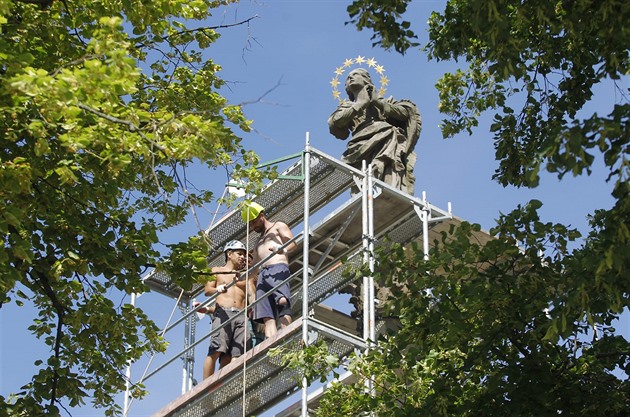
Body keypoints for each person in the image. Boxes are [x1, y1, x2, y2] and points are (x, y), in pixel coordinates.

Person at [328, 68, 422, 194]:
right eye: (348, 77)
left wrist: (377, 102)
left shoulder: (383, 102)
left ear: (366, 79)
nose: (350, 78)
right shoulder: (346, 107)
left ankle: (390, 191)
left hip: (385, 140)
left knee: (387, 172)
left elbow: (405, 113)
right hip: (358, 147)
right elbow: (336, 123)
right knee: (363, 181)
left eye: (355, 74)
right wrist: (360, 104)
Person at [241, 202, 297, 339]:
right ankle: (271, 342)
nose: (253, 226)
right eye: (251, 224)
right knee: (266, 315)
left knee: (282, 302)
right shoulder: (257, 242)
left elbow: (293, 243)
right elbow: (254, 266)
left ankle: (286, 334)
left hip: (277, 268)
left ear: (262, 215)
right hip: (262, 276)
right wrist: (242, 277)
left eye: (254, 222)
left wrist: (282, 249)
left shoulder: (278, 226)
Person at [202, 240, 255, 379]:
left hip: (241, 315)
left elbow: (253, 285)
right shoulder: (217, 271)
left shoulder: (245, 275)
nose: (242, 257)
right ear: (229, 254)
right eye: (240, 254)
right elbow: (207, 290)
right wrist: (217, 289)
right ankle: (205, 386)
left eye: (244, 254)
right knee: (216, 350)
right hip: (224, 313)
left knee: (235, 354)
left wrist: (251, 261)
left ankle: (222, 383)